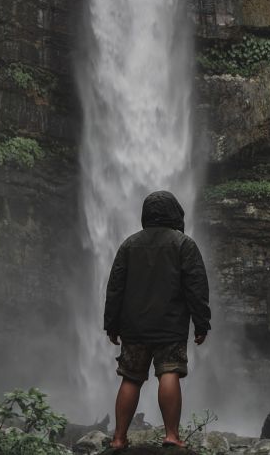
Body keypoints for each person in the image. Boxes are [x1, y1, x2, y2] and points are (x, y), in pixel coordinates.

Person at [104, 190, 211, 449]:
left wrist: (111, 323)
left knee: (130, 377)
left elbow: (115, 287)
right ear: (175, 213)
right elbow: (196, 287)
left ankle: (118, 438)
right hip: (170, 326)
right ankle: (171, 435)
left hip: (134, 327)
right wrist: (201, 322)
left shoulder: (129, 245)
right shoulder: (184, 244)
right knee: (170, 372)